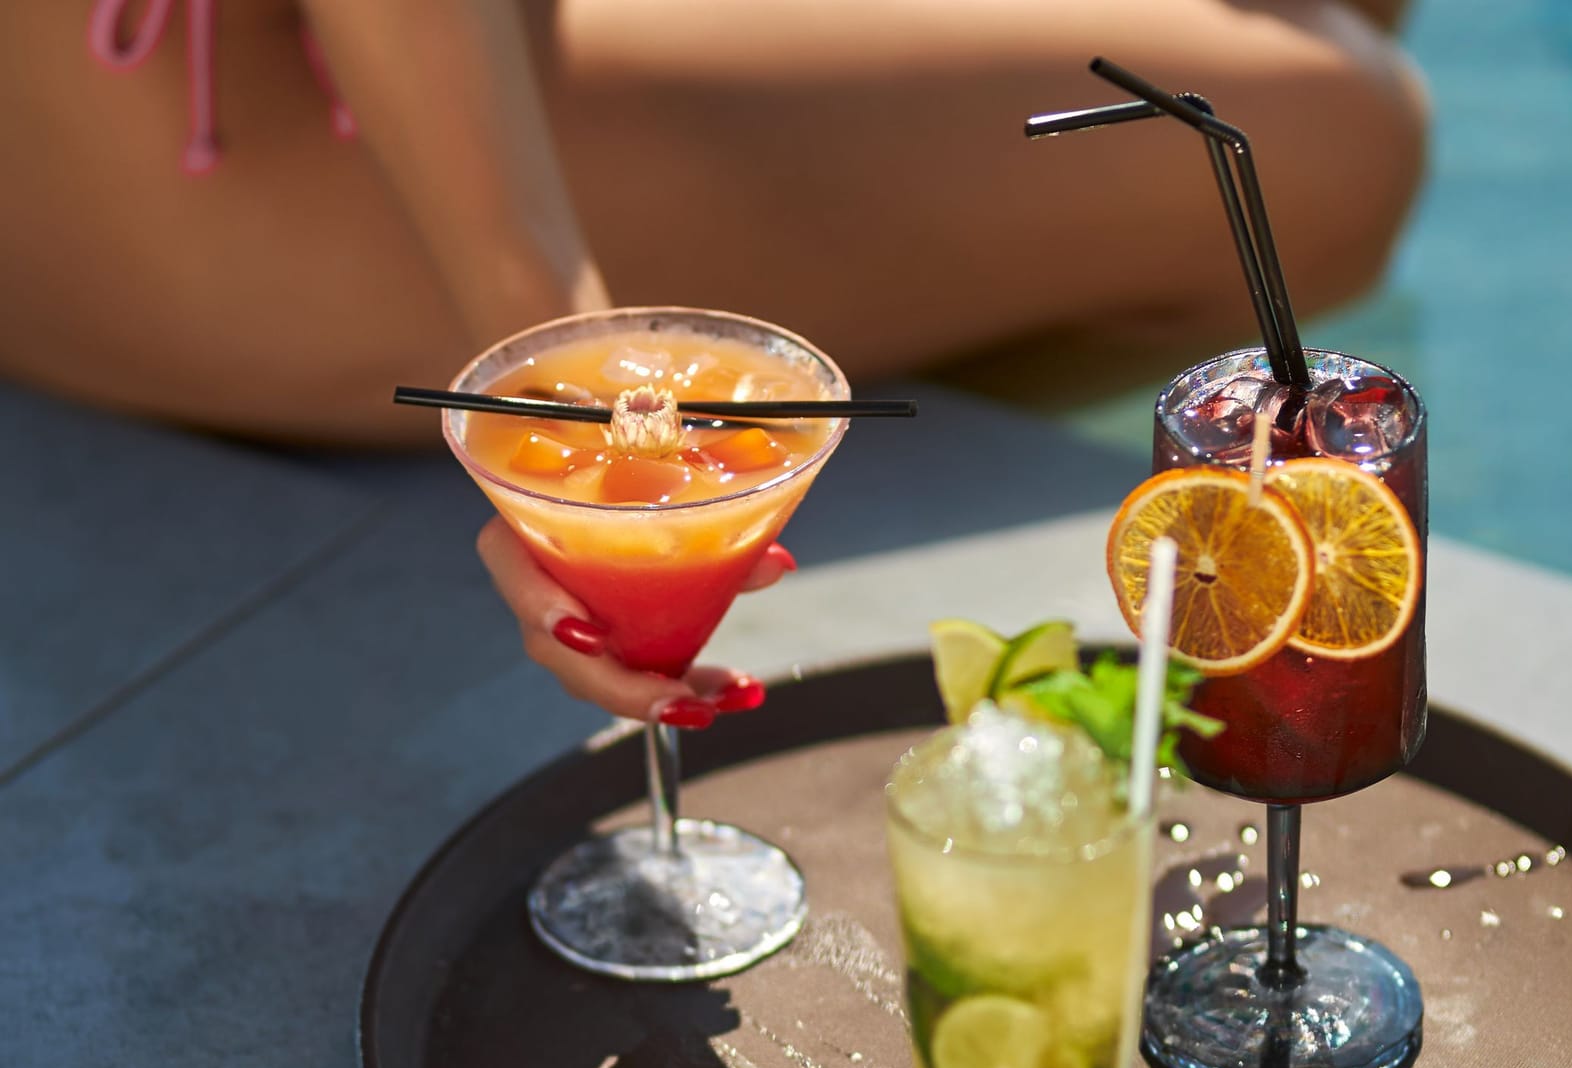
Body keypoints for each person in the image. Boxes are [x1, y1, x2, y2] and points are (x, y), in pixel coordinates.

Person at [4, 0, 1427, 724]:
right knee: (1338, 137)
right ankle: (839, 378)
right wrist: (564, 379)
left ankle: (877, 348)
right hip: (179, 173)